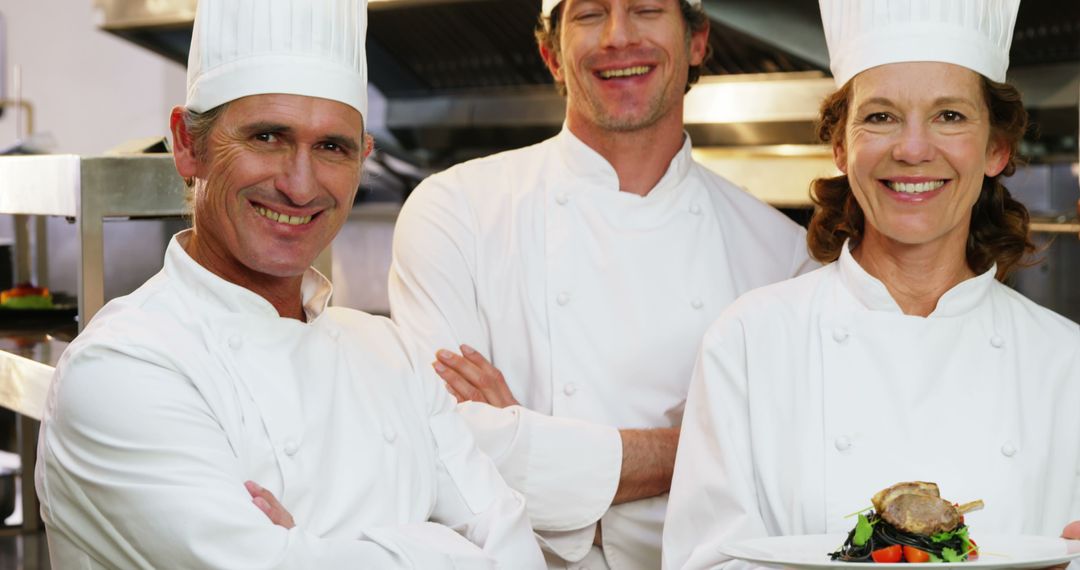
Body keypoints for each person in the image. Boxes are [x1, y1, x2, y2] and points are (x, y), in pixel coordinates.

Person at [34, 0, 546, 568]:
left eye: (331, 147)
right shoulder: (122, 367)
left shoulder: (391, 354)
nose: (300, 187)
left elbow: (514, 547)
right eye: (268, 137)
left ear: (363, 160)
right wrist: (440, 543)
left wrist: (316, 548)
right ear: (187, 144)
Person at [386, 0, 816, 568]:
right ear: (551, 54)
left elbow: (787, 483)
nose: (618, 36)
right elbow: (443, 454)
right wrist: (707, 452)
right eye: (589, 14)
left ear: (697, 42)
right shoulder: (455, 211)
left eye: (645, 9)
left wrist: (535, 454)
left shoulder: (783, 256)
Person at [663, 1, 1080, 568]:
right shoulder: (749, 341)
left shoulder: (1064, 362)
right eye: (880, 116)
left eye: (950, 116)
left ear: (996, 150)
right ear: (841, 147)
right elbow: (704, 561)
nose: (912, 149)